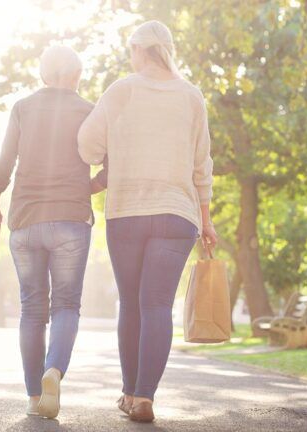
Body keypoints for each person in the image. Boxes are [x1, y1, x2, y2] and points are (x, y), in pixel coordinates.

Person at [78, 20, 218, 423]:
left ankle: (128, 392)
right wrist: (206, 220)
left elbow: (87, 145)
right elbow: (201, 167)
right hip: (178, 213)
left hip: (128, 212)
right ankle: (144, 397)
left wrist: (110, 157)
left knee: (132, 305)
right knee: (157, 304)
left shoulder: (121, 90)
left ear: (139, 50)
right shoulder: (192, 97)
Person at [0, 45, 104, 419]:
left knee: (32, 309)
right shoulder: (89, 111)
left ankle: (35, 396)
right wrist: (90, 187)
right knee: (66, 304)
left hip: (26, 220)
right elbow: (111, 162)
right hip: (70, 220)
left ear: (43, 75)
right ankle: (55, 369)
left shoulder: (23, 107)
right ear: (77, 76)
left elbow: (5, 160)